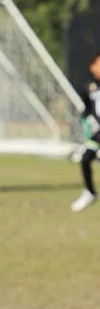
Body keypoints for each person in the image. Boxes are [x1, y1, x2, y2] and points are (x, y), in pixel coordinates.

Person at [70, 52, 100, 212]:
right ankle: (90, 192)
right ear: (92, 67)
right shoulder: (89, 88)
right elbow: (86, 110)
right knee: (85, 158)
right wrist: (89, 122)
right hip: (97, 134)